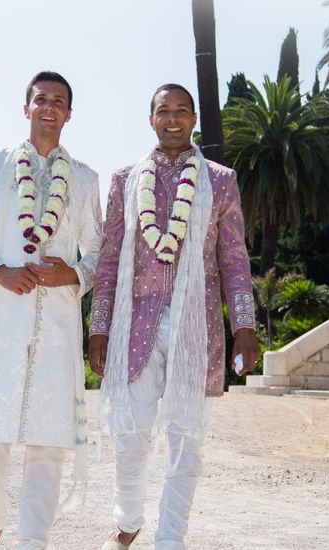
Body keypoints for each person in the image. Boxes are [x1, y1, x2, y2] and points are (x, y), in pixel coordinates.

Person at [88, 83, 259, 549]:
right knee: (129, 432)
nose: (173, 119)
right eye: (164, 111)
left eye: (182, 111)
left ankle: (170, 540)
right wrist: (98, 327)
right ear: (151, 119)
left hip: (196, 325)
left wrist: (244, 327)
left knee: (186, 438)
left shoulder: (220, 180)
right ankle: (127, 522)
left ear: (194, 119)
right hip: (133, 323)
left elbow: (235, 260)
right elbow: (108, 259)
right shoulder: (126, 180)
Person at [0, 70, 103, 550]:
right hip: (0, 324)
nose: (48, 107)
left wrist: (72, 274)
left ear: (69, 113)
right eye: (40, 99)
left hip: (55, 326)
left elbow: (98, 253)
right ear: (25, 107)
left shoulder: (87, 178)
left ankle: (33, 541)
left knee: (49, 441)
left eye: (58, 101)